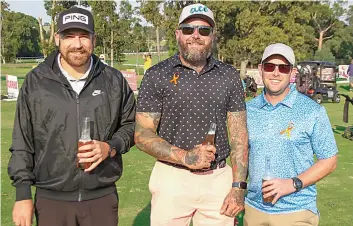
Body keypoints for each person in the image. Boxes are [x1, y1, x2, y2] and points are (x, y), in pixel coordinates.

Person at [8, 7, 136, 226]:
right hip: (51, 199)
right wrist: (22, 194)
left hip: (101, 198)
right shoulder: (36, 82)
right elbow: (22, 140)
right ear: (57, 38)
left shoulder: (113, 80)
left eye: (84, 36)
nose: (77, 44)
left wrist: (110, 146)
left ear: (94, 39)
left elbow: (132, 125)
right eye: (69, 36)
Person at [135, 3, 248, 226]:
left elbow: (239, 137)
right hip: (171, 178)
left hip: (217, 179)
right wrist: (186, 157)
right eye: (189, 29)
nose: (195, 35)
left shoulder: (229, 75)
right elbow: (142, 134)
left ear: (212, 37)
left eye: (203, 31)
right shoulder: (157, 74)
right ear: (178, 33)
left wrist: (238, 186)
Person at [245, 43, 338, 226]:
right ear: (261, 69)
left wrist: (293, 183)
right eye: (270, 66)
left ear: (292, 73)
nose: (276, 72)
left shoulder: (312, 111)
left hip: (297, 211)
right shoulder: (248, 110)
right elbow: (241, 155)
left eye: (283, 67)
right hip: (254, 210)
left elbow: (330, 159)